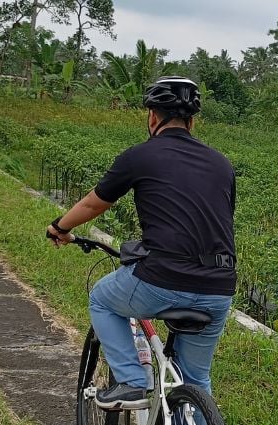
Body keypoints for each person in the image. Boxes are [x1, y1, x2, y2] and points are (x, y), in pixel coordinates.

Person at [46, 76, 236, 407]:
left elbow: (94, 204)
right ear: (192, 121)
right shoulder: (222, 164)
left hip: (161, 280)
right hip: (219, 287)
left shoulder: (140, 156)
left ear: (152, 117)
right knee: (197, 379)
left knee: (102, 299)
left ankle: (133, 382)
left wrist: (59, 227)